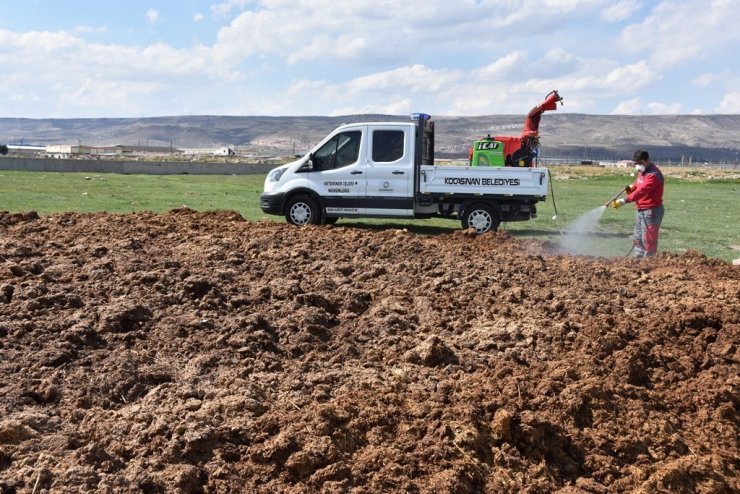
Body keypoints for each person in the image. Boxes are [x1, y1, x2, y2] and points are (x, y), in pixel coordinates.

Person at [610, 150, 665, 257]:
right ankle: (637, 262)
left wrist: (623, 201)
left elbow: (641, 192)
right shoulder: (642, 172)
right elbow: (639, 185)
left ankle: (648, 263)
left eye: (640, 163)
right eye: (636, 163)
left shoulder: (653, 175)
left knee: (648, 240)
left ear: (647, 161)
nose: (638, 166)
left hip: (651, 211)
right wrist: (633, 186)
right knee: (638, 238)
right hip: (641, 210)